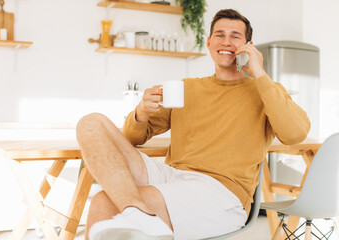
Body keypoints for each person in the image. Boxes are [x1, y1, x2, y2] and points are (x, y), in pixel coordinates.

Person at [76, 8, 310, 240]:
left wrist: (259, 72)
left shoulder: (265, 90)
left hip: (220, 191)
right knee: (91, 123)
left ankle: (139, 213)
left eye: (235, 36)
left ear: (248, 45)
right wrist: (142, 111)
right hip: (171, 175)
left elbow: (295, 134)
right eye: (219, 35)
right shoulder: (186, 88)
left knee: (105, 203)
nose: (226, 41)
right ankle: (139, 215)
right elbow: (131, 139)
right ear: (208, 43)